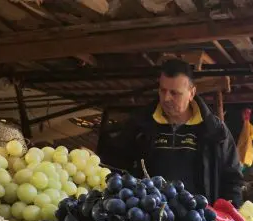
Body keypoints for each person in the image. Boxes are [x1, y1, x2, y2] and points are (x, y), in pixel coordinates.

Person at [102, 58, 244, 206]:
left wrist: (230, 212)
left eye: (174, 93)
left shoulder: (215, 131)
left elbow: (232, 179)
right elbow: (115, 165)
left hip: (199, 217)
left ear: (191, 93)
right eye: (162, 90)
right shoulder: (140, 125)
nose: (166, 98)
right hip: (148, 215)